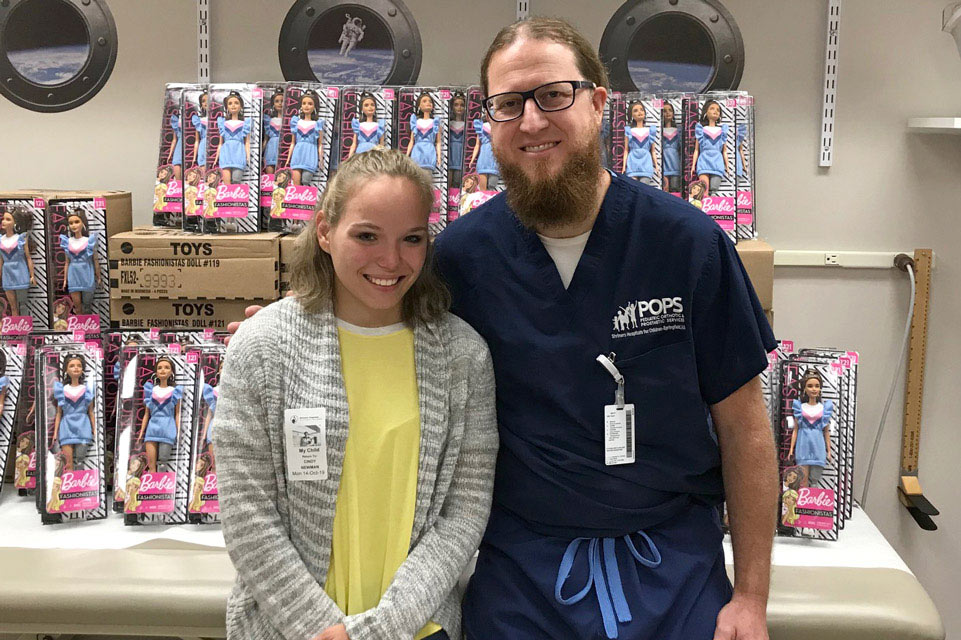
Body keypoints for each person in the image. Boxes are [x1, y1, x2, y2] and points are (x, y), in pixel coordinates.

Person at [232, 17, 776, 640]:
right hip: (523, 572)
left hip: (673, 563)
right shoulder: (463, 258)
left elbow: (746, 430)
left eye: (554, 95)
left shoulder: (690, 245)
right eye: (508, 104)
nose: (533, 121)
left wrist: (751, 596)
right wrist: (282, 328)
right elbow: (372, 302)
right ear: (488, 123)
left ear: (599, 103)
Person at [216, 148, 497, 640]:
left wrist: (381, 629)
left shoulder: (462, 356)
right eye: (367, 235)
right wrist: (319, 627)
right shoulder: (264, 347)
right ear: (325, 231)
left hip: (418, 627)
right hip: (289, 629)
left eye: (411, 239)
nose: (391, 260)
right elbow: (246, 511)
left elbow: (464, 511)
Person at [788, 369, 833, 487]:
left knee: (815, 480)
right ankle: (802, 503)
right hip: (803, 446)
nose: (814, 389)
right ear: (804, 389)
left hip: (818, 447)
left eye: (817, 386)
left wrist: (829, 450)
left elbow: (826, 431)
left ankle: (813, 504)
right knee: (802, 480)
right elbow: (796, 429)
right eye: (810, 386)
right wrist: (791, 449)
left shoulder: (824, 409)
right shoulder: (800, 407)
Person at [0, 207, 37, 317]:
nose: (3, 221)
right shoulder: (1, 239)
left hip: (20, 271)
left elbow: (28, 258)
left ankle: (25, 327)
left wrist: (32, 275)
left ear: (15, 223)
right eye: (3, 219)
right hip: (7, 273)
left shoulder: (21, 238)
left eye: (8, 219)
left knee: (22, 304)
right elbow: (0, 260)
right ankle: (16, 329)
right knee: (13, 306)